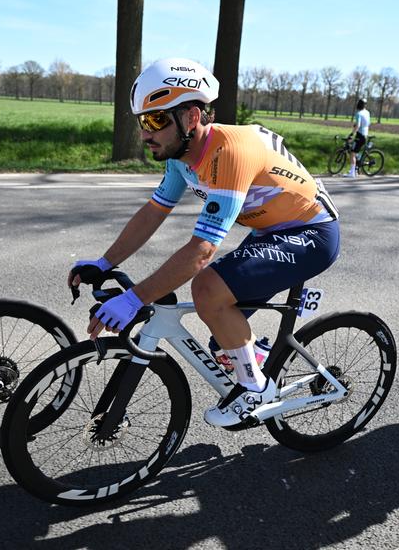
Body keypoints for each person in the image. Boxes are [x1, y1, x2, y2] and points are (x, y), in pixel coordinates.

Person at [68, 58, 340, 427]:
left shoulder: (229, 152)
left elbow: (203, 250)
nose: (146, 133)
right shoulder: (180, 157)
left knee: (209, 288)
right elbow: (153, 212)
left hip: (312, 234)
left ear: (192, 117)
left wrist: (135, 299)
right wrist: (104, 263)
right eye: (142, 122)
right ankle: (258, 362)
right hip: (269, 232)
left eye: (156, 120)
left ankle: (255, 389)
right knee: (223, 338)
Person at [345, 98, 370, 178]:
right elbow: (367, 123)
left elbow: (358, 125)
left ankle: (352, 173)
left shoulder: (359, 113)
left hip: (360, 135)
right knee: (356, 150)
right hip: (365, 135)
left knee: (352, 153)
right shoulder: (367, 112)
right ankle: (356, 168)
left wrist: (352, 133)